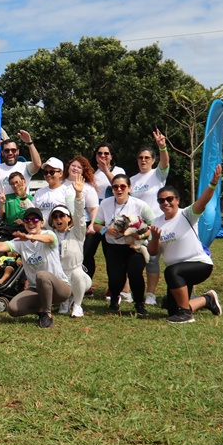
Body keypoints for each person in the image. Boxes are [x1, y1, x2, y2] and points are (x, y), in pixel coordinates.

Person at [147, 165, 223, 323]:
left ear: (177, 200)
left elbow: (202, 202)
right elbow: (153, 252)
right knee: (172, 310)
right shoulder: (156, 223)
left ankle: (186, 314)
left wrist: (213, 184)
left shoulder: (187, 214)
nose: (166, 203)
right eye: (161, 200)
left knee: (171, 271)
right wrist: (154, 239)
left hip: (198, 264)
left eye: (169, 199)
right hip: (178, 273)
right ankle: (207, 299)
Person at [0, 207, 70, 328]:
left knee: (42, 275)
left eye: (35, 219)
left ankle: (47, 314)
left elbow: (49, 239)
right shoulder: (21, 241)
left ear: (42, 222)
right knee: (13, 309)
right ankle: (41, 309)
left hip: (60, 288)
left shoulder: (48, 234)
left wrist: (30, 237)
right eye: (27, 220)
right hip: (36, 289)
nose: (31, 222)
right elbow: (3, 245)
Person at [94, 173, 154, 316]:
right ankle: (114, 299)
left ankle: (139, 303)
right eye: (115, 187)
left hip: (135, 247)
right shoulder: (105, 204)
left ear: (129, 188)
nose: (119, 189)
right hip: (114, 247)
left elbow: (153, 225)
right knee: (116, 278)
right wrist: (107, 230)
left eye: (123, 186)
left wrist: (139, 235)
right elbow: (96, 226)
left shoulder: (139, 205)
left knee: (135, 273)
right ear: (112, 189)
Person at [131, 130, 171, 305]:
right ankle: (129, 292)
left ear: (153, 160)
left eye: (147, 158)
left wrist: (162, 147)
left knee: (153, 260)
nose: (143, 160)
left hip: (156, 224)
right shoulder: (132, 180)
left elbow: (165, 163)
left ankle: (151, 294)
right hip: (138, 227)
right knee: (137, 260)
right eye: (140, 158)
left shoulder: (157, 175)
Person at [48, 174, 90, 318]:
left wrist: (78, 194)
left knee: (77, 274)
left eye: (62, 216)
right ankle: (65, 300)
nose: (58, 219)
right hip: (59, 276)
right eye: (55, 217)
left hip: (78, 275)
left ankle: (77, 305)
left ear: (68, 218)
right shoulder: (50, 234)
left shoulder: (77, 232)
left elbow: (79, 215)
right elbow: (36, 221)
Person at [84, 142, 125, 281]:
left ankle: (113, 287)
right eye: (99, 153)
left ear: (111, 156)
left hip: (111, 220)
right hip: (96, 222)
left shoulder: (118, 171)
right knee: (87, 251)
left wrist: (106, 170)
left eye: (106, 153)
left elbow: (119, 185)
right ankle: (87, 283)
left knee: (110, 254)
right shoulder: (90, 172)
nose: (103, 156)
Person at [0, 131, 42, 198]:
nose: (10, 153)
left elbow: (37, 164)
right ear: (2, 153)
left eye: (13, 150)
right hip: (2, 204)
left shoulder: (25, 166)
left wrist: (30, 143)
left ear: (18, 152)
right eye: (7, 151)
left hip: (23, 204)